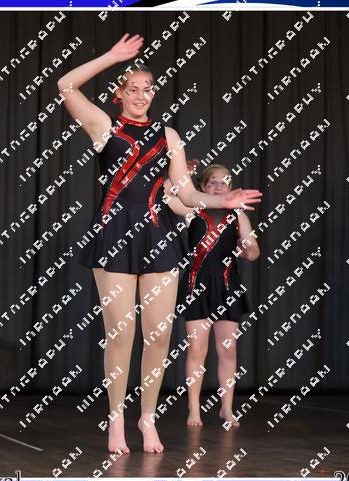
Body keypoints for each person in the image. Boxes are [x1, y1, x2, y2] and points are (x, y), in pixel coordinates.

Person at [57, 34, 262, 453]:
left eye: (147, 89)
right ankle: (116, 419)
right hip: (114, 234)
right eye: (131, 88)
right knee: (121, 334)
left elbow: (186, 193)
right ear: (118, 94)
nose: (140, 95)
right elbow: (66, 85)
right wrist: (111, 56)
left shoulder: (169, 136)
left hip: (158, 237)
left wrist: (223, 201)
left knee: (159, 335)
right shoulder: (104, 126)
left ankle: (146, 418)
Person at [167, 164, 260, 428]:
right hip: (197, 285)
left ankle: (226, 409)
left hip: (227, 285)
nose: (219, 186)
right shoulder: (192, 209)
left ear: (230, 187)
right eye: (213, 182)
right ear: (202, 186)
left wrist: (247, 249)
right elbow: (165, 193)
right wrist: (179, 172)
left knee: (228, 351)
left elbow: (254, 251)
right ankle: (194, 408)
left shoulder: (238, 215)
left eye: (224, 182)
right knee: (197, 350)